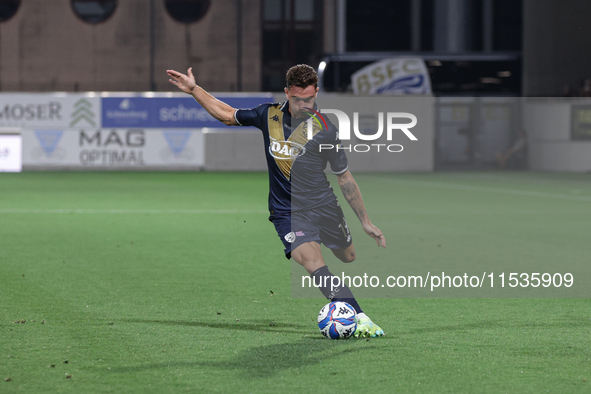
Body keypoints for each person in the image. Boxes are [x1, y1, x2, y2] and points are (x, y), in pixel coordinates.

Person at [167, 64, 386, 338]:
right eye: (297, 99)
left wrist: (365, 221)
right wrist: (193, 90)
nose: (304, 105)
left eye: (309, 98)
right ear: (287, 93)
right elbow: (227, 115)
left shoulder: (326, 128)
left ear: (316, 92)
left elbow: (343, 176)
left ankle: (336, 262)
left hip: (324, 206)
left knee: (348, 256)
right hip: (288, 211)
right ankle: (360, 315)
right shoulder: (267, 114)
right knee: (313, 263)